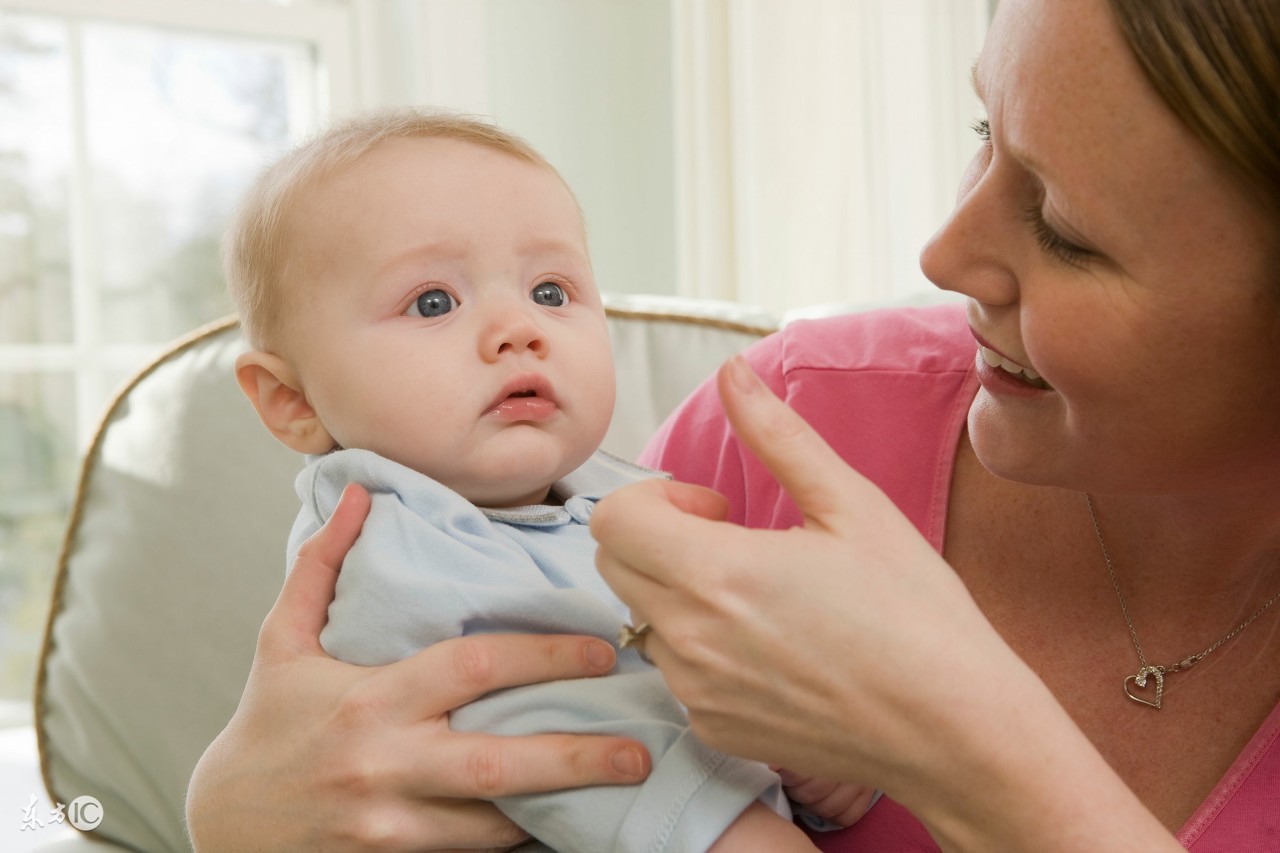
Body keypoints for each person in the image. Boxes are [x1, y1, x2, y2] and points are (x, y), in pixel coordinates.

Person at [186, 0, 1280, 850]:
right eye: (980, 130)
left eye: (1065, 227)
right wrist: (233, 813)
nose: (939, 256)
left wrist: (961, 740)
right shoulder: (777, 431)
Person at [221, 108, 862, 851]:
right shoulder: (386, 541)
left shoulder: (606, 500)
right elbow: (543, 730)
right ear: (292, 401)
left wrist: (800, 742)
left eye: (551, 292)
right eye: (433, 301)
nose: (519, 328)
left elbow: (701, 676)